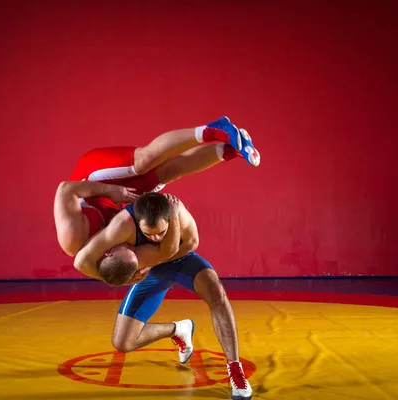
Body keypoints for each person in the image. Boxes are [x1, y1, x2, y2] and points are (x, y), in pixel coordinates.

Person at [73, 192, 253, 399]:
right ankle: (179, 329)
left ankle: (235, 368)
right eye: (148, 235)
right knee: (123, 343)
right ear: (137, 223)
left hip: (180, 259)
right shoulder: (122, 224)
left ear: (169, 218)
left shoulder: (177, 210)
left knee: (217, 294)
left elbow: (192, 242)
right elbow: (81, 261)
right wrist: (114, 279)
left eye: (161, 233)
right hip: (151, 270)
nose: (156, 238)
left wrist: (153, 260)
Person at [54, 116, 260, 281]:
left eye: (125, 248)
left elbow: (65, 189)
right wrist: (144, 267)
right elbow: (174, 248)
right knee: (168, 172)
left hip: (90, 181)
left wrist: (109, 191)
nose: (130, 244)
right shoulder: (128, 259)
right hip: (120, 199)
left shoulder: (73, 240)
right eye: (133, 250)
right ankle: (232, 149)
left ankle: (214, 130)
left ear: (106, 254)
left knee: (145, 161)